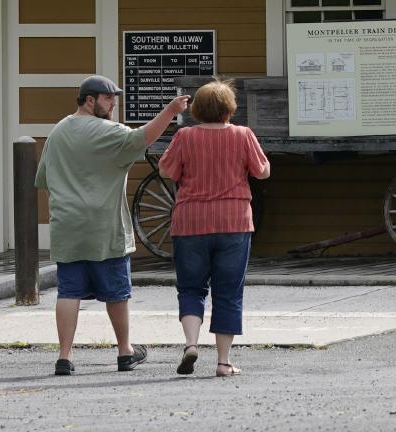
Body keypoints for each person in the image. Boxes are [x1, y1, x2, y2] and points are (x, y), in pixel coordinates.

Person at [35, 75, 191, 377]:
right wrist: (171, 110)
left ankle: (64, 358)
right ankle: (124, 352)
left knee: (68, 292)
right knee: (117, 292)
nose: (114, 104)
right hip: (105, 225)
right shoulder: (107, 132)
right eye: (108, 98)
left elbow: (43, 179)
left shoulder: (57, 132)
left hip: (67, 225)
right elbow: (143, 138)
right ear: (89, 100)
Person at [159, 80, 271, 378]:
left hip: (190, 222)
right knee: (228, 291)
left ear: (197, 110)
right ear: (229, 109)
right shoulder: (243, 134)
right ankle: (223, 362)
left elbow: (166, 170)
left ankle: (191, 344)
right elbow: (262, 171)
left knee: (191, 287)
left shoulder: (185, 136)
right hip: (233, 222)